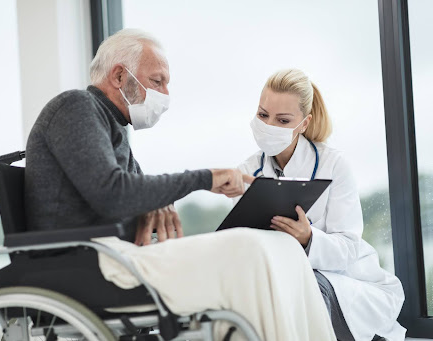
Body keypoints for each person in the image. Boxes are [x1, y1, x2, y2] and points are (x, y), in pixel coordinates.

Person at [25, 28, 336, 340]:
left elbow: (125, 192)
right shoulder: (75, 107)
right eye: (157, 81)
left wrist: (152, 203)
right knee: (249, 249)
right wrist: (206, 178)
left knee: (282, 246)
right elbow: (113, 195)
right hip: (94, 260)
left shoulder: (111, 126)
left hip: (114, 254)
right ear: (119, 76)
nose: (166, 95)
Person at [235, 69, 406, 341]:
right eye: (263, 115)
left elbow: (349, 247)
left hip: (345, 283)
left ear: (304, 123)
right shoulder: (245, 172)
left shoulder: (333, 164)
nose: (269, 126)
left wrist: (308, 238)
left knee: (302, 286)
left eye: (283, 120)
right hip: (278, 281)